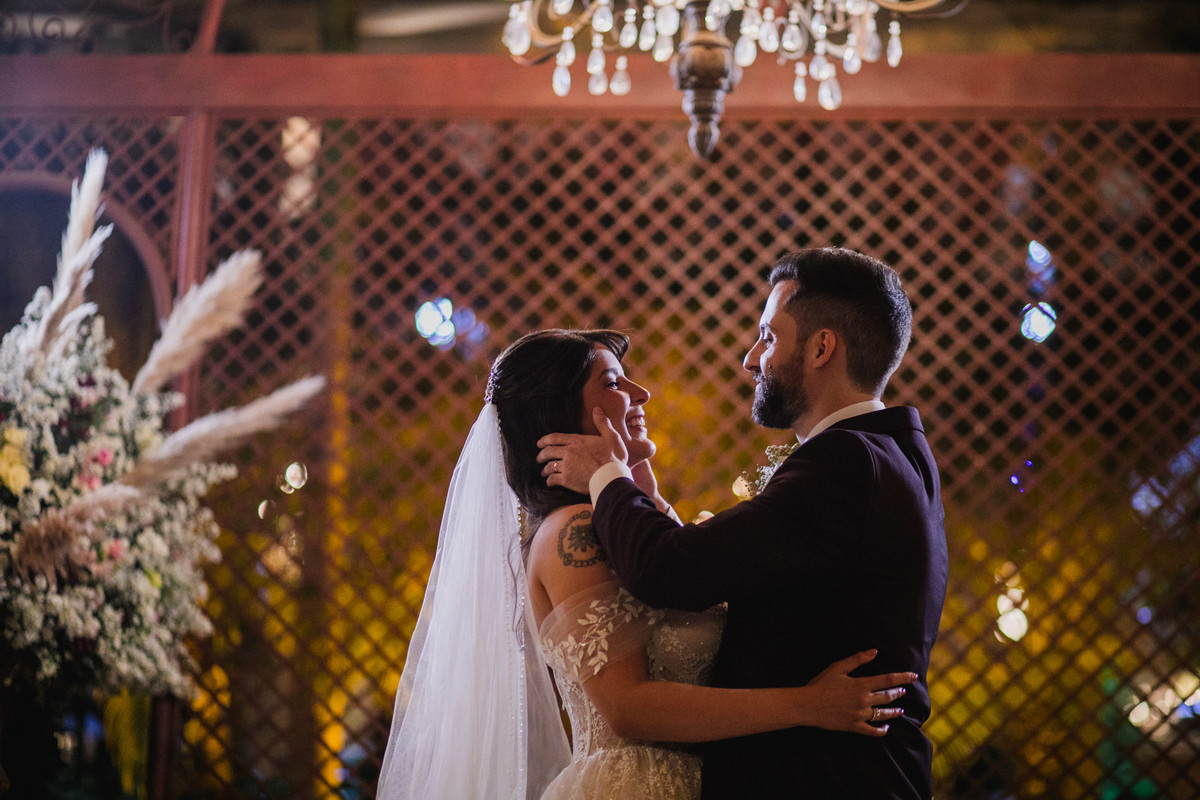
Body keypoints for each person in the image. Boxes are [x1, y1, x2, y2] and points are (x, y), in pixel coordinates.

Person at [377, 327, 918, 800]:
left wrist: (638, 489)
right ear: (561, 410)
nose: (642, 393)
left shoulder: (618, 524)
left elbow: (677, 570)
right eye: (613, 384)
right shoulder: (574, 533)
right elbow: (627, 708)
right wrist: (806, 705)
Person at [538, 249, 949, 799]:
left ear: (822, 347)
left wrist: (605, 472)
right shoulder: (895, 453)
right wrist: (635, 481)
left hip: (824, 783)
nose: (751, 359)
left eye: (768, 337)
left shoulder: (845, 465)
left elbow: (666, 570)